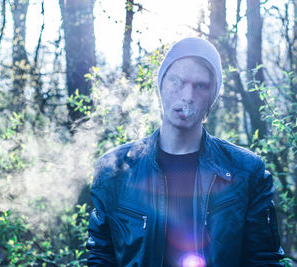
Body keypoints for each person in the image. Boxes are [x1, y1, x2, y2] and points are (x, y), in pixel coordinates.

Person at [86, 37, 284, 267]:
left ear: (212, 97)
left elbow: (264, 260)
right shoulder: (115, 170)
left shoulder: (247, 171)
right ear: (161, 86)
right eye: (177, 81)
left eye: (200, 86)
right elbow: (101, 256)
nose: (188, 96)